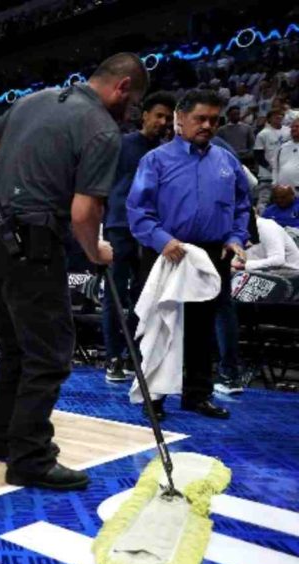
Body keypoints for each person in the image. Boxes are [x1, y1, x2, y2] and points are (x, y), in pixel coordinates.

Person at [0, 54, 148, 490]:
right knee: (49, 354)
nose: (128, 114)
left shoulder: (35, 99)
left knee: (15, 348)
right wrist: (96, 252)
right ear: (123, 87)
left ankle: (6, 440)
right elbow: (84, 212)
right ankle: (30, 458)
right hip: (33, 245)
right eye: (133, 105)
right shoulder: (102, 129)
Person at [128, 89, 251, 421]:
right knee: (160, 325)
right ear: (179, 119)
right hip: (166, 251)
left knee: (202, 328)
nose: (208, 125)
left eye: (214, 119)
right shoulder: (155, 160)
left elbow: (242, 205)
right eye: (200, 118)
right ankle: (153, 396)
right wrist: (161, 239)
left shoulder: (227, 161)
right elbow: (138, 210)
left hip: (211, 254)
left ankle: (198, 394)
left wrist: (236, 237)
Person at [101, 90, 176, 382]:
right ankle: (113, 358)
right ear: (144, 115)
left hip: (152, 231)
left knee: (146, 296)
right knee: (115, 295)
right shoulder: (121, 145)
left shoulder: (168, 152)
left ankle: (134, 354)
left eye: (168, 118)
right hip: (119, 226)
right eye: (158, 115)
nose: (163, 122)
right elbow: (102, 186)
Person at [235, 216, 299, 272]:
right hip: (269, 273)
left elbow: (278, 260)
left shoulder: (268, 227)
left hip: (291, 274)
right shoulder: (241, 231)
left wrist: (245, 265)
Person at [255, 109, 290, 183]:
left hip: (285, 171)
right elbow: (258, 155)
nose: (278, 116)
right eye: (275, 115)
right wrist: (270, 168)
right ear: (269, 119)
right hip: (267, 173)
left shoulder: (289, 131)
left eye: (281, 115)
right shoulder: (263, 134)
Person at [271, 120, 299, 191]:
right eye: (292, 127)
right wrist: (275, 184)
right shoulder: (282, 147)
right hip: (283, 191)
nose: (293, 129)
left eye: (297, 127)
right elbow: (275, 167)